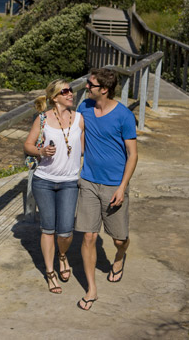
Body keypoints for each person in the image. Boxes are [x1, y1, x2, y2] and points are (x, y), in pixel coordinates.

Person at [75, 68, 138, 310]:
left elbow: (132, 155)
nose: (86, 87)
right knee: (89, 236)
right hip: (89, 181)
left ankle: (120, 257)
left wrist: (122, 187)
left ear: (104, 89)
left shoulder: (123, 116)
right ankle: (92, 290)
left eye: (90, 84)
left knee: (119, 239)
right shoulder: (84, 108)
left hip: (114, 186)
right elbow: (74, 137)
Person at [24, 79, 84, 294]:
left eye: (71, 90)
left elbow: (84, 148)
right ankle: (50, 272)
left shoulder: (79, 119)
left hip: (69, 182)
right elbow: (28, 145)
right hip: (44, 181)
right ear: (54, 97)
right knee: (48, 229)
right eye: (65, 91)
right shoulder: (42, 119)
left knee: (65, 232)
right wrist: (40, 152)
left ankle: (62, 255)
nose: (70, 94)